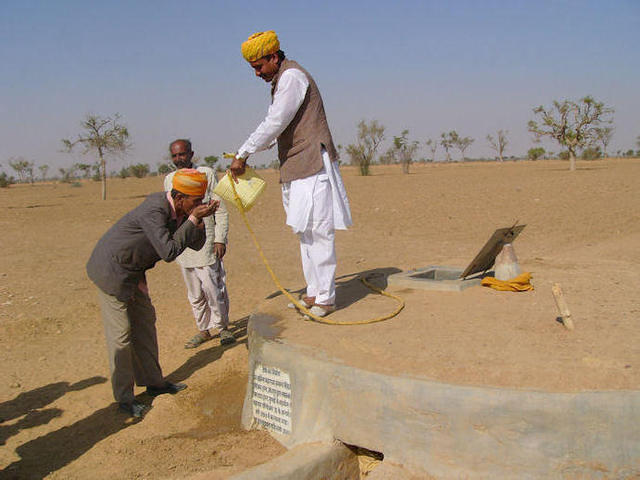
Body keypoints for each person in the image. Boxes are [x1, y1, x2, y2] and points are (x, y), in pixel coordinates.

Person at [230, 30, 352, 317]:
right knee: (304, 232)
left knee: (319, 232)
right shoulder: (281, 80)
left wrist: (243, 153)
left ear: (274, 57)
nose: (257, 73)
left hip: (312, 164)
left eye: (259, 66)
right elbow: (279, 129)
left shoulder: (292, 77)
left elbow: (275, 121)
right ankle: (313, 292)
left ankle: (326, 298)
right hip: (296, 166)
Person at [86, 169, 218, 417]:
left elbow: (197, 243)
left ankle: (154, 383)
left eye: (201, 200)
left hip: (135, 271)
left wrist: (199, 219)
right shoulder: (154, 210)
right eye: (195, 201)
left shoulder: (182, 211)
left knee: (145, 324)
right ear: (179, 197)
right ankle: (125, 399)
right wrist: (192, 221)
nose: (199, 204)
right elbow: (169, 252)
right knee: (121, 337)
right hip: (113, 270)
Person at [163, 139, 235, 348]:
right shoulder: (169, 180)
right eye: (175, 156)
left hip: (206, 240)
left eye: (182, 154)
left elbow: (220, 209)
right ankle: (203, 330)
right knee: (194, 292)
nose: (179, 159)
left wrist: (220, 238)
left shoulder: (206, 174)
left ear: (191, 154)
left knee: (213, 288)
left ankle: (223, 328)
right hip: (183, 243)